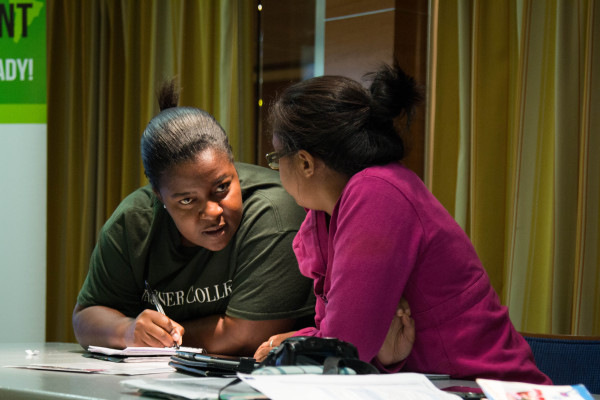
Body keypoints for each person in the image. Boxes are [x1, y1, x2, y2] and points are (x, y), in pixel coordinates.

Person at [253, 64, 551, 383]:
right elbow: (352, 344)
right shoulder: (334, 209)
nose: (276, 170)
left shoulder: (376, 192)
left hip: (486, 387)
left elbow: (345, 349)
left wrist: (311, 345)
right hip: (436, 384)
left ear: (305, 162)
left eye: (275, 159)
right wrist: (317, 342)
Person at [73, 80, 315, 356]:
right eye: (187, 200)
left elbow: (245, 336)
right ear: (159, 196)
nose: (213, 212)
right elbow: (84, 317)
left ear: (233, 164)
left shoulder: (274, 211)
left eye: (223, 187)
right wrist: (127, 330)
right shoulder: (133, 222)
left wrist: (160, 342)